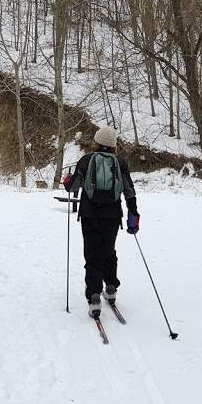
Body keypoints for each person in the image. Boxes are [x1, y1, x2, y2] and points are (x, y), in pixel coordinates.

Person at [63, 125, 139, 319]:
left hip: (89, 215)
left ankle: (94, 296)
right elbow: (129, 190)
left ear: (96, 142)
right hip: (113, 216)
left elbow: (72, 188)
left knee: (92, 254)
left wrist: (67, 181)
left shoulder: (86, 160)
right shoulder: (119, 162)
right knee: (109, 251)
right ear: (113, 145)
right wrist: (133, 213)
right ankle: (111, 288)